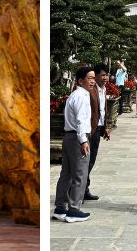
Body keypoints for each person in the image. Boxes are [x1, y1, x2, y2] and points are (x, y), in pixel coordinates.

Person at [52, 66, 95, 223]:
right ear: (80, 80)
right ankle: (74, 210)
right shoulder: (82, 96)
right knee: (80, 174)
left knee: (66, 173)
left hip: (68, 137)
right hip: (77, 139)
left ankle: (60, 208)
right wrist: (83, 140)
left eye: (93, 78)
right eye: (89, 78)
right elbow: (81, 120)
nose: (92, 81)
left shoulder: (73, 95)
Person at [84, 62, 110, 201]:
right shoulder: (90, 90)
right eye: (103, 75)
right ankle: (78, 191)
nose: (105, 78)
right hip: (89, 130)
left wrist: (104, 126)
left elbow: (102, 110)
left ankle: (84, 189)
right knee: (85, 162)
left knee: (91, 161)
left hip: (98, 128)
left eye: (107, 75)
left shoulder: (103, 89)